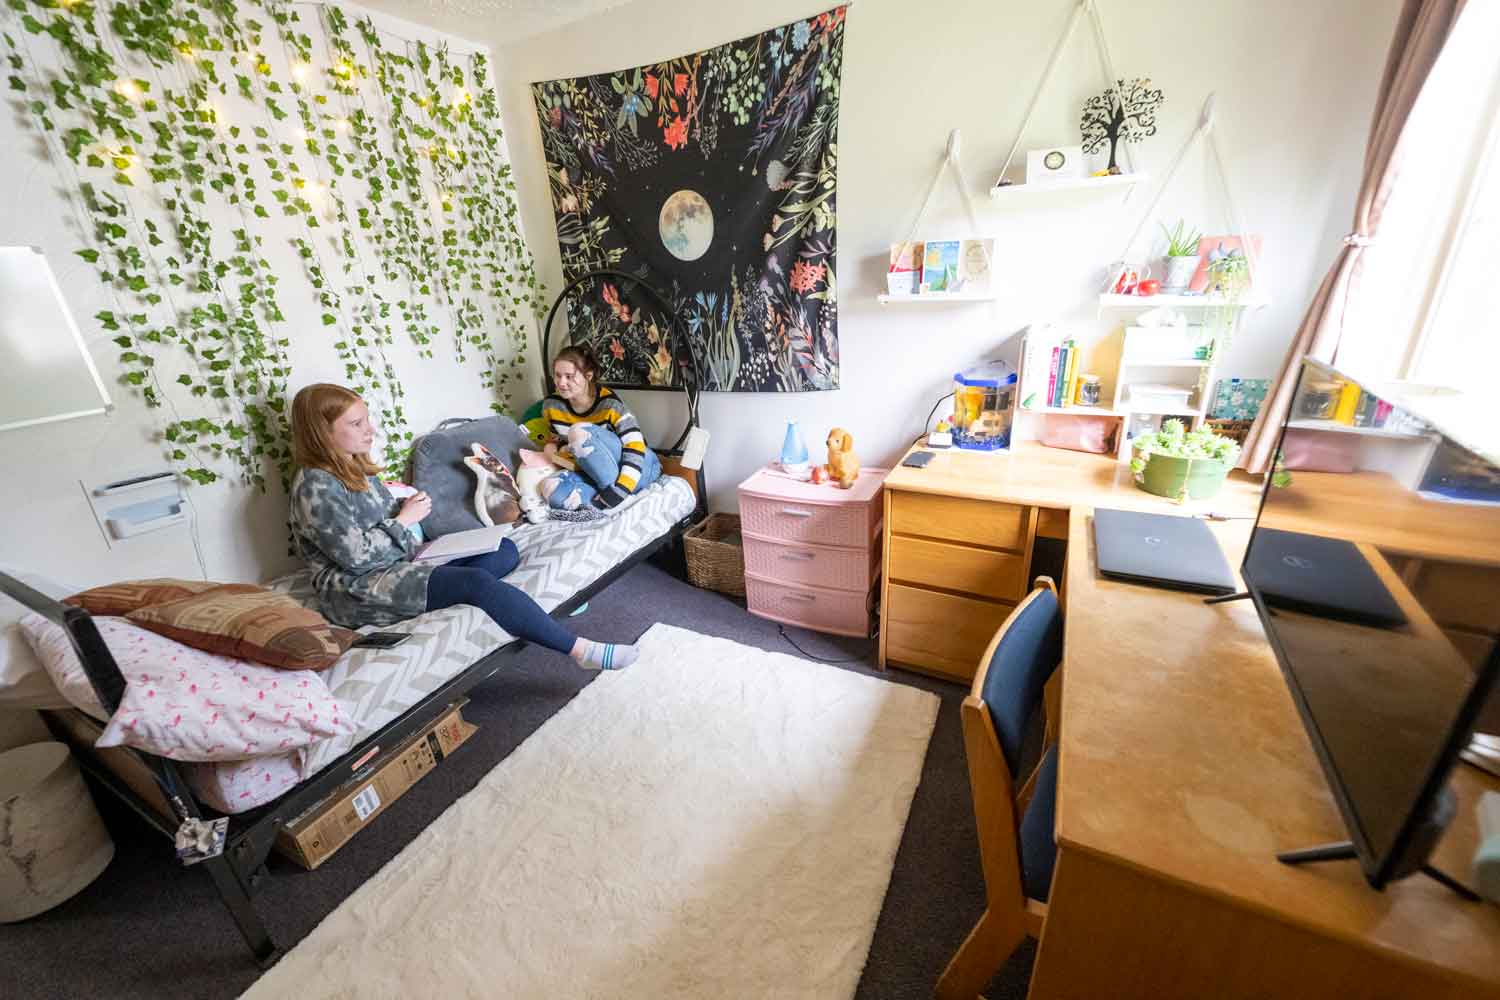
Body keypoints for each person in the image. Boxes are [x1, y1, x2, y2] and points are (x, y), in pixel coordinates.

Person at [287, 383, 638, 671]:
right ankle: (581, 652)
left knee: (503, 550)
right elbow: (356, 558)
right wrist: (403, 520)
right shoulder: (315, 486)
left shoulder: (355, 467)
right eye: (357, 424)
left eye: (367, 420)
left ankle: (494, 600)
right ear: (323, 432)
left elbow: (379, 521)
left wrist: (407, 507)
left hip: (397, 562)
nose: (370, 430)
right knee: (476, 582)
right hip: (356, 589)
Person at [540, 345, 663, 511]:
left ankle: (617, 497)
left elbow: (635, 448)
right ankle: (604, 499)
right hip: (595, 473)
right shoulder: (551, 406)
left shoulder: (610, 404)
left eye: (569, 376)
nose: (561, 383)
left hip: (640, 468)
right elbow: (556, 439)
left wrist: (621, 489)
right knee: (550, 489)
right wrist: (552, 448)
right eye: (558, 375)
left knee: (578, 433)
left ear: (588, 376)